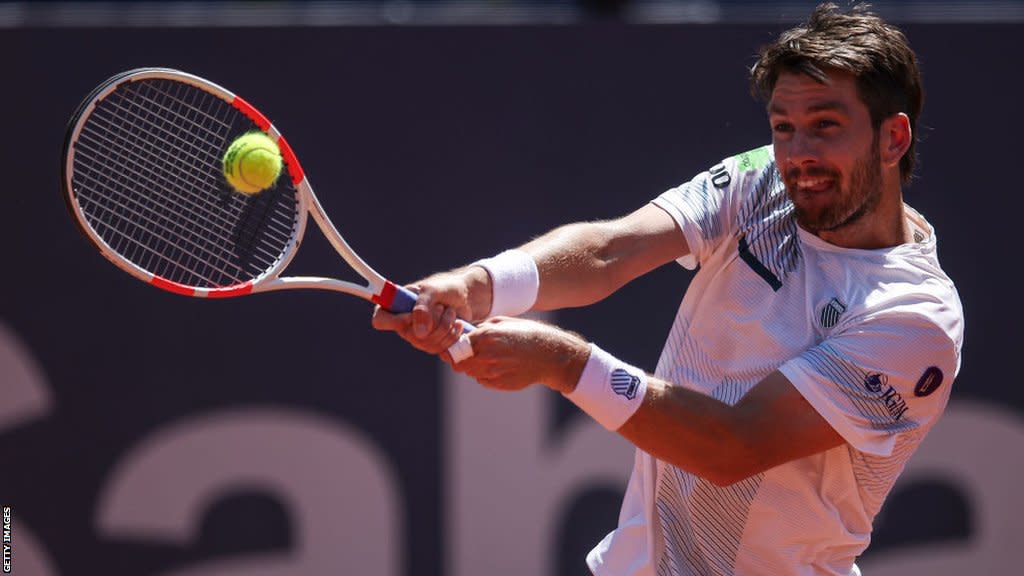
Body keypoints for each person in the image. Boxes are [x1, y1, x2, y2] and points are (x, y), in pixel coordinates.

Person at [373, 3, 964, 574]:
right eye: (784, 128)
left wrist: (564, 363)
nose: (798, 155)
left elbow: (731, 447)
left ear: (893, 139)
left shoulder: (914, 320)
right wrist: (477, 284)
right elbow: (611, 250)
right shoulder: (761, 181)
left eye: (825, 127)